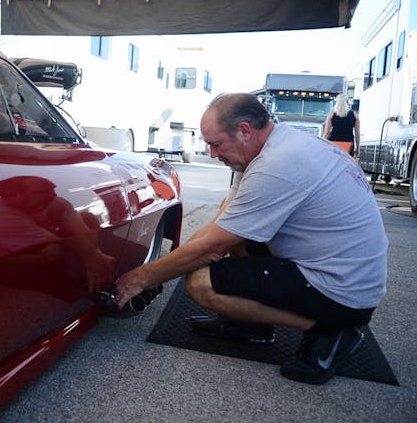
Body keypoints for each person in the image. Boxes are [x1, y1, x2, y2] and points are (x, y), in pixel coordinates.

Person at [114, 93, 388, 385]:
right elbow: (220, 226)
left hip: (342, 290)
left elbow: (211, 248)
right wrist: (169, 264)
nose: (212, 154)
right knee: (234, 242)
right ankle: (250, 327)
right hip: (339, 268)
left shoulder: (277, 165)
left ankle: (333, 330)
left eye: (216, 144)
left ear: (244, 130)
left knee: (201, 282)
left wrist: (141, 278)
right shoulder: (270, 149)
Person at [323, 93, 360, 159]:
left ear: (336, 102)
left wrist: (322, 145)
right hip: (348, 144)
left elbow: (327, 133)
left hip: (334, 144)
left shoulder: (331, 116)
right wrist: (358, 148)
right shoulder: (355, 116)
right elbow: (357, 134)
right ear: (347, 102)